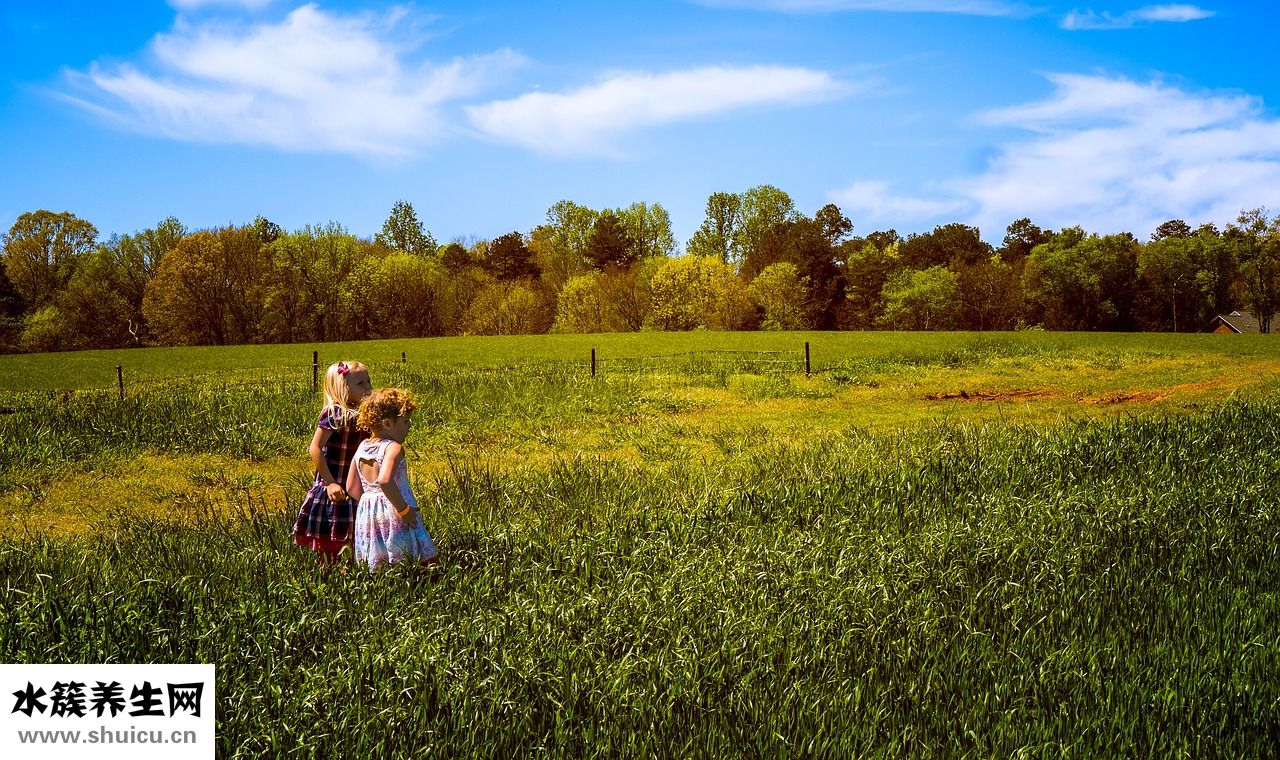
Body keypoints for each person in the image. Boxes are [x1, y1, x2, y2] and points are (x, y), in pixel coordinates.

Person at [348, 387, 438, 570]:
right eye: (405, 421)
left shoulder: (362, 447)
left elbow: (351, 487)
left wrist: (370, 503)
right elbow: (385, 480)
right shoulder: (393, 448)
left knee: (380, 557)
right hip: (394, 509)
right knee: (409, 555)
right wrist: (403, 509)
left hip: (368, 513)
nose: (409, 426)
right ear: (388, 423)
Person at [292, 360, 373, 561]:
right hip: (336, 483)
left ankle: (352, 572)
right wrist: (329, 483)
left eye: (369, 381)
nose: (368, 387)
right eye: (361, 384)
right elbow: (315, 448)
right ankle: (328, 573)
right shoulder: (335, 413)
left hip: (356, 485)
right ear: (343, 388)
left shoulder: (366, 414)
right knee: (331, 536)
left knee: (356, 534)